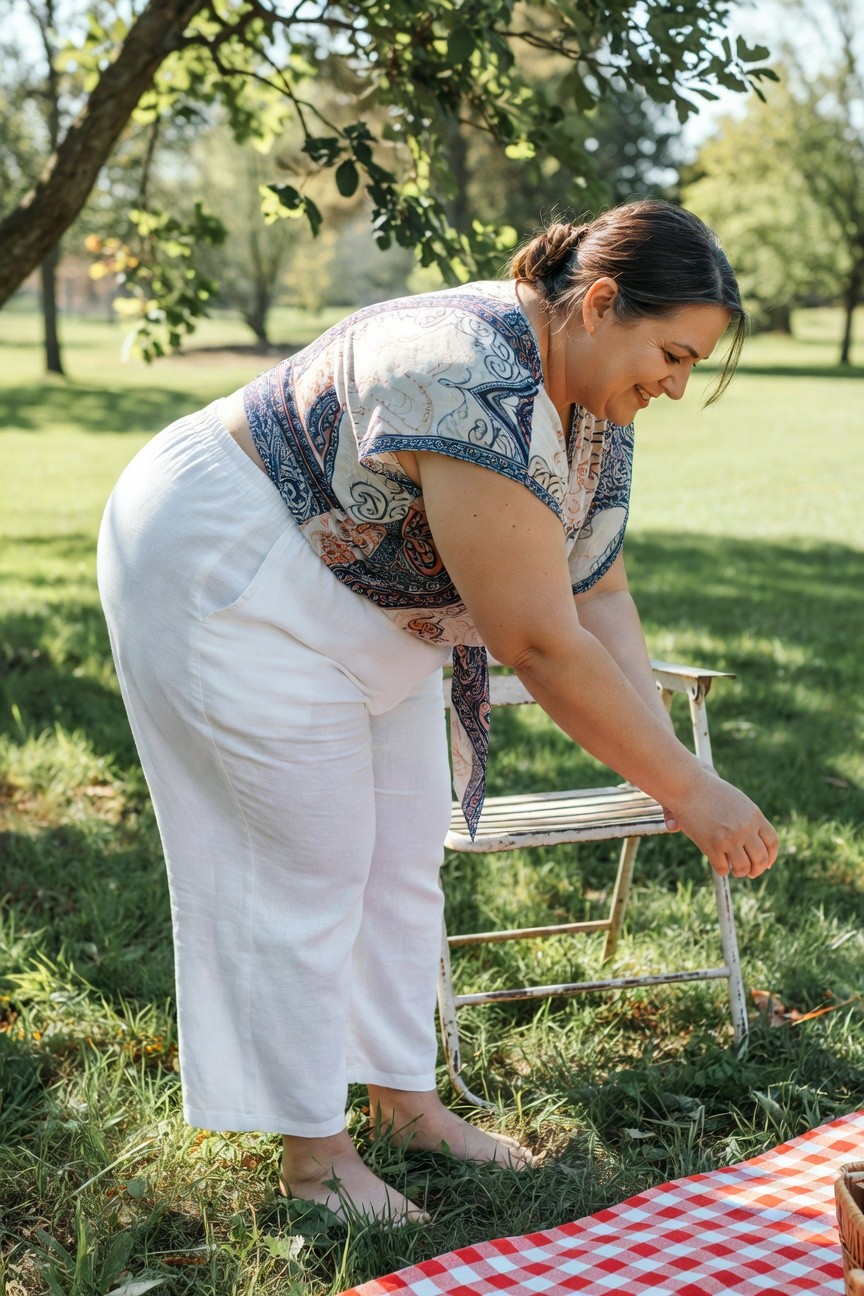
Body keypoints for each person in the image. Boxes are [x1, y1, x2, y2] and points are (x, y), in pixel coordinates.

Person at [97, 199, 779, 1225]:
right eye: (674, 354)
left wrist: (679, 775)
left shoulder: (592, 401)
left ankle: (409, 1106)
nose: (678, 385)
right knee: (310, 864)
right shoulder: (470, 374)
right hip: (227, 564)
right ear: (599, 303)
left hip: (366, 598)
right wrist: (690, 791)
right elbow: (539, 643)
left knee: (402, 850)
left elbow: (601, 599)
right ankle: (315, 1162)